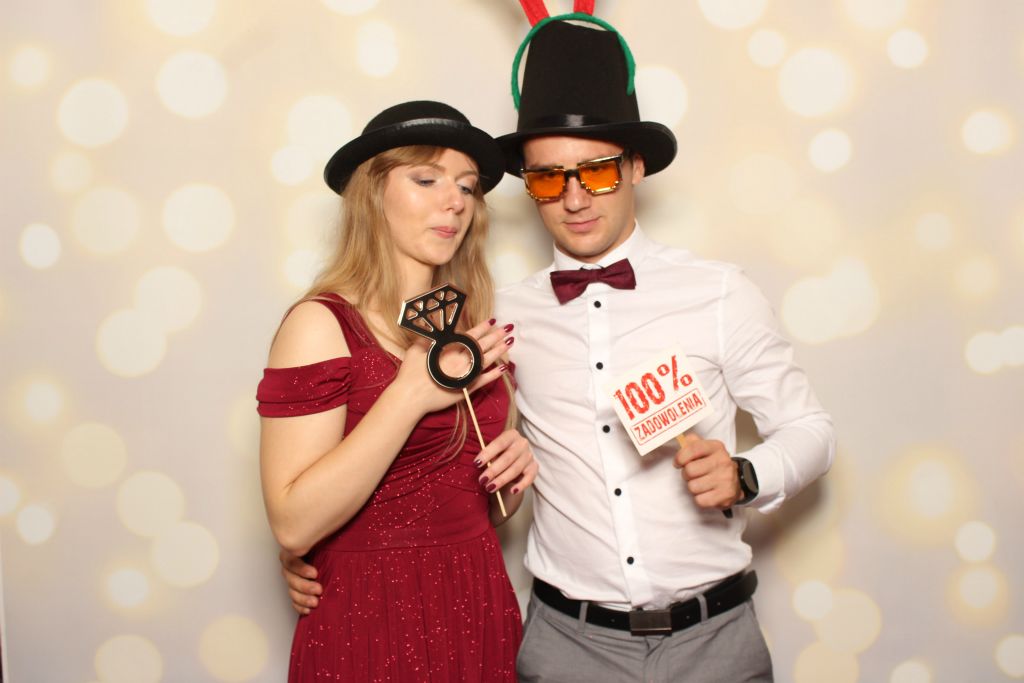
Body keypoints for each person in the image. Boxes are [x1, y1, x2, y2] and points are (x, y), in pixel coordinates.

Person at [282, 10, 835, 682]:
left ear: (635, 166)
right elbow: (431, 460)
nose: (574, 199)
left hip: (714, 640)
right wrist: (322, 550)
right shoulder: (496, 319)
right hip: (567, 646)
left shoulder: (719, 293)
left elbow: (810, 429)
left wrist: (748, 474)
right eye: (548, 178)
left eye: (595, 173)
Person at [257, 100, 538, 682]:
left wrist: (514, 467)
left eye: (467, 186)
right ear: (373, 193)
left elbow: (478, 506)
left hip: (476, 600)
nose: (455, 201)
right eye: (426, 179)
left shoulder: (468, 328)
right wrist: (409, 395)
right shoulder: (320, 324)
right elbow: (293, 524)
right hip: (372, 615)